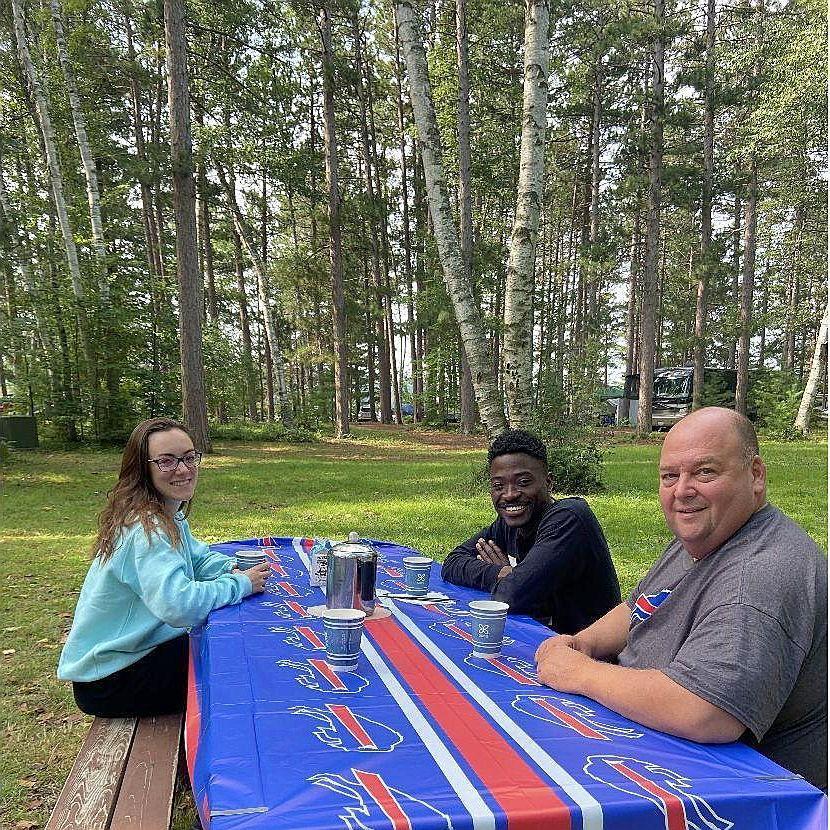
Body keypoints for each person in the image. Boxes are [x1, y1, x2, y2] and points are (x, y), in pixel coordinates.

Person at [535, 407, 827, 791]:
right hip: (664, 746)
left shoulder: (755, 578)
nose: (682, 491)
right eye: (670, 476)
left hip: (734, 793)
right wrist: (583, 642)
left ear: (755, 475)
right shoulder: (708, 535)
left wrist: (579, 673)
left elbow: (705, 712)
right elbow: (640, 605)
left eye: (705, 472)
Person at [58, 417, 270, 718]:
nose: (183, 469)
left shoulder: (166, 513)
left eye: (188, 457)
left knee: (232, 647)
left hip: (132, 658)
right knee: (242, 666)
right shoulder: (146, 529)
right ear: (142, 469)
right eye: (166, 461)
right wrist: (241, 584)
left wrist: (233, 566)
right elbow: (181, 606)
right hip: (112, 679)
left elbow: (198, 559)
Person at [441, 429, 621, 633]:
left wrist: (513, 582)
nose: (509, 495)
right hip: (541, 637)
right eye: (498, 485)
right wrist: (502, 573)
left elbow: (509, 596)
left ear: (548, 482)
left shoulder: (569, 519)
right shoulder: (508, 524)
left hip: (587, 652)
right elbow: (452, 562)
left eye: (523, 482)